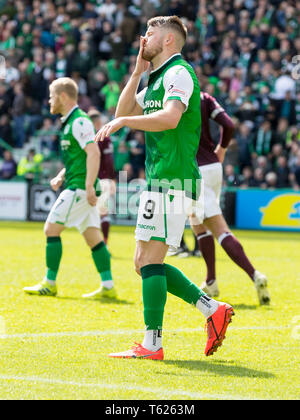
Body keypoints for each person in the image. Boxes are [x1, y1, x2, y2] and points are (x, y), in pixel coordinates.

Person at [95, 16, 234, 360]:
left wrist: (125, 121)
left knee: (150, 261)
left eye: (150, 33)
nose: (144, 38)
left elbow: (170, 118)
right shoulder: (156, 77)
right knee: (144, 263)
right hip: (160, 178)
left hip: (174, 178)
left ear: (169, 40)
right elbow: (122, 110)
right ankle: (210, 309)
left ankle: (153, 343)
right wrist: (136, 72)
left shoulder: (179, 73)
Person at [23, 78, 117, 299]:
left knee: (51, 229)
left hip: (79, 189)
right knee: (94, 238)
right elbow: (79, 157)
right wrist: (60, 175)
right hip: (77, 185)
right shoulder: (70, 122)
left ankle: (50, 283)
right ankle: (109, 286)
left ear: (63, 97)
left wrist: (88, 186)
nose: (49, 101)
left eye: (51, 96)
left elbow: (94, 152)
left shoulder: (80, 121)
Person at [189, 92, 270, 305]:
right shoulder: (204, 97)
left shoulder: (173, 96)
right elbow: (229, 125)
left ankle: (255, 275)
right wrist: (221, 149)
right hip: (214, 166)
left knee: (217, 227)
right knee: (198, 223)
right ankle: (211, 280)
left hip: (194, 170)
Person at [88, 109, 116, 246]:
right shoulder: (104, 137)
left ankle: (97, 245)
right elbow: (109, 161)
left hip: (89, 180)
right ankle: (103, 244)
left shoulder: (86, 138)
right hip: (103, 179)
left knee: (92, 214)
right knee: (103, 213)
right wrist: (112, 180)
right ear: (98, 122)